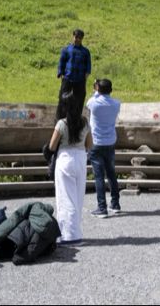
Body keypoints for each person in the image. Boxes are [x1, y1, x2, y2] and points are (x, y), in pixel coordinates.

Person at [48, 99, 92, 244]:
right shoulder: (85, 122)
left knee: (65, 198)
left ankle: (68, 235)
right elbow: (89, 144)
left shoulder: (62, 123)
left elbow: (52, 146)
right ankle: (76, 231)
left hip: (65, 158)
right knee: (78, 197)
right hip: (80, 158)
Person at [88, 78, 121, 218]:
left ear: (97, 89)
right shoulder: (116, 104)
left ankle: (102, 208)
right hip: (110, 142)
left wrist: (96, 90)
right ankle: (115, 204)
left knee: (99, 176)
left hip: (96, 143)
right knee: (111, 174)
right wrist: (99, 88)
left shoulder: (93, 103)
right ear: (111, 90)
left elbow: (90, 101)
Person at [57, 29, 91, 115]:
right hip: (67, 78)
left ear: (82, 39)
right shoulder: (66, 49)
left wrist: (86, 74)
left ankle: (77, 119)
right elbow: (62, 61)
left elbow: (88, 64)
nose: (77, 39)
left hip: (80, 79)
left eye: (79, 38)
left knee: (79, 100)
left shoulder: (85, 51)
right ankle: (61, 120)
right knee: (63, 99)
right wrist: (60, 73)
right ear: (73, 37)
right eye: (76, 37)